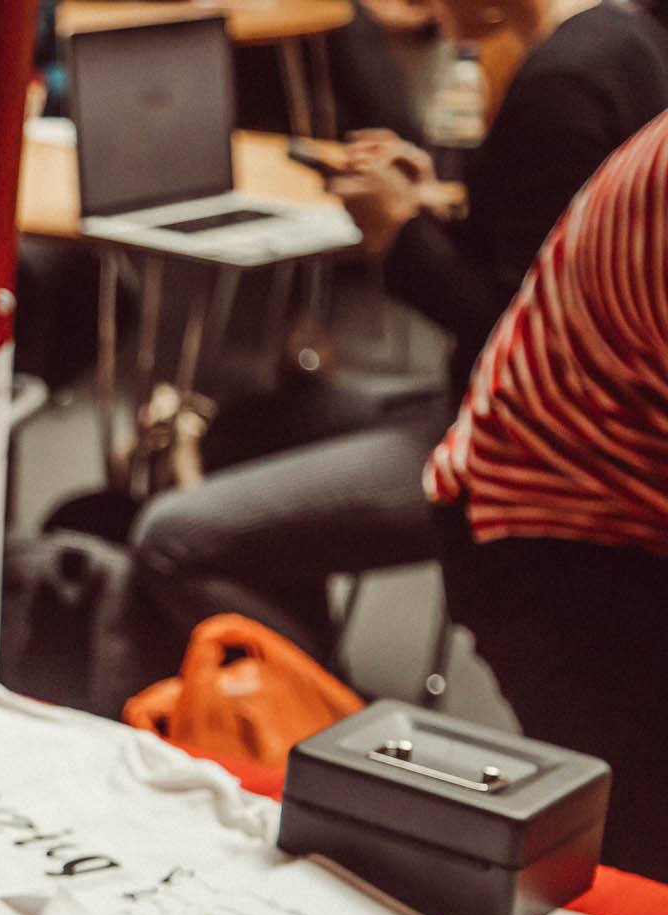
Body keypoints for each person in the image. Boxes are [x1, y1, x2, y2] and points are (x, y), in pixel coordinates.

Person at [111, 0, 668, 693]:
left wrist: (397, 235)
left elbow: (517, 330)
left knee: (169, 538)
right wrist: (437, 197)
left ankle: (327, 718)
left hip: (504, 447)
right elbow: (544, 254)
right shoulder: (621, 41)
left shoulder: (563, 85)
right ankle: (297, 667)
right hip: (539, 429)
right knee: (235, 433)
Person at [427, 108, 668, 878]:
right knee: (640, 862)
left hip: (631, 483)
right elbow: (478, 309)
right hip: (552, 518)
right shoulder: (571, 85)